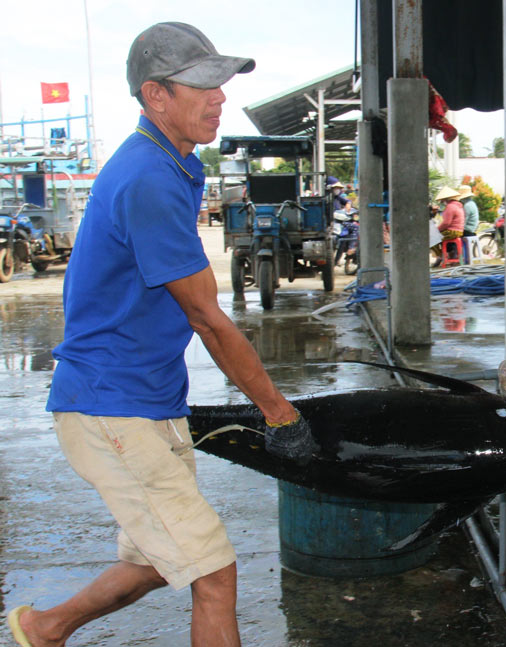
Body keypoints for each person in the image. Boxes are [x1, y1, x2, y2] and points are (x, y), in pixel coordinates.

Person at [6, 22, 317, 647]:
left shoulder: (172, 164)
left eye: (220, 84)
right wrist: (280, 414)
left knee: (158, 558)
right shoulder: (147, 175)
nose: (219, 97)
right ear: (155, 96)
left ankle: (46, 627)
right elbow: (207, 316)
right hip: (111, 407)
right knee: (213, 572)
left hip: (146, 400)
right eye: (201, 85)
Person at [431, 186, 464, 267]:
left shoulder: (450, 207)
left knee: (432, 238)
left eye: (442, 200)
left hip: (452, 231)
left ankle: (440, 256)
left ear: (446, 199)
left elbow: (446, 223)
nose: (442, 202)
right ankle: (446, 255)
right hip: (459, 231)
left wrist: (437, 230)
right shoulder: (458, 206)